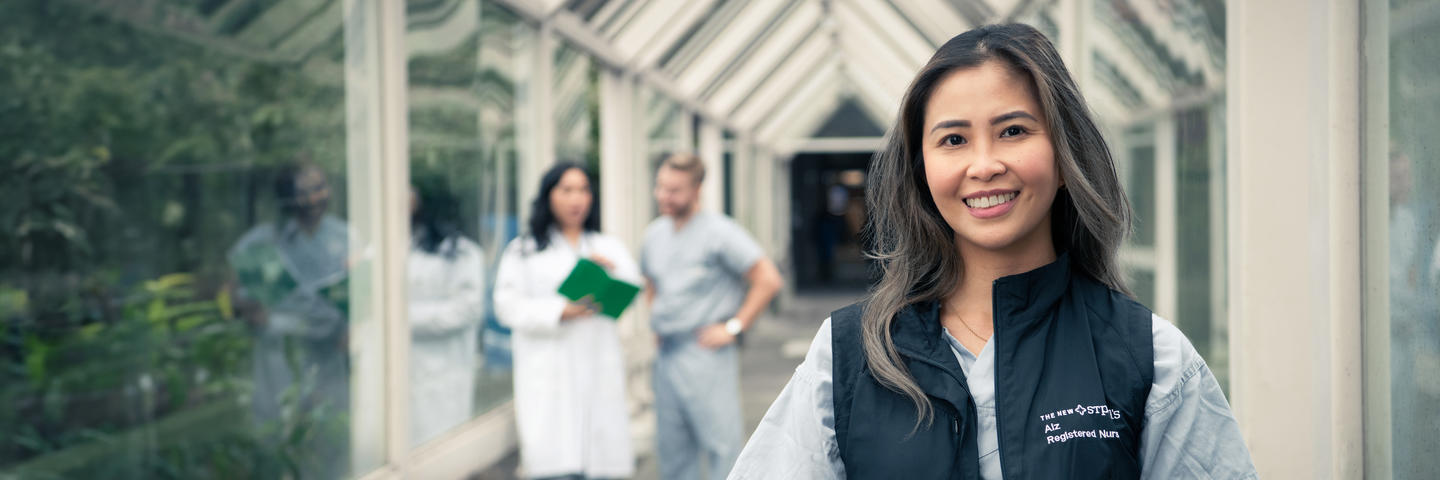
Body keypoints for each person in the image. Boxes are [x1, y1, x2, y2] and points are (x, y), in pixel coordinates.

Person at [730, 24, 1256, 479]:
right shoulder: (850, 355)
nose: (983, 165)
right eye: (953, 140)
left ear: (1065, 155)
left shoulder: (1150, 357)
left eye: (1013, 131)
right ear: (921, 171)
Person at [641, 153, 784, 480]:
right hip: (667, 353)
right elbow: (650, 281)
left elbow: (768, 279)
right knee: (672, 449)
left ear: (697, 190)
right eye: (661, 187)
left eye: (674, 190)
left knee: (721, 446)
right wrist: (657, 319)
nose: (664, 196)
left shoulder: (721, 233)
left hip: (706, 351)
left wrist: (733, 327)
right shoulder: (654, 235)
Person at [493, 162, 636, 480]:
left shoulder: (607, 247)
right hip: (549, 375)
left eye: (584, 190)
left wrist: (608, 276)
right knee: (555, 464)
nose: (577, 199)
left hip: (598, 370)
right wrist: (559, 311)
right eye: (567, 190)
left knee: (601, 463)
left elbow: (630, 291)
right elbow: (506, 306)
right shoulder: (524, 251)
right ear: (549, 196)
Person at [228, 161, 350, 478]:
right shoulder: (264, 240)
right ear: (285, 199)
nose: (313, 199)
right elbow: (233, 291)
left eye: (320, 188)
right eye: (303, 192)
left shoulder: (345, 236)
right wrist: (243, 304)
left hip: (328, 361)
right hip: (279, 359)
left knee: (330, 445)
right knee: (279, 445)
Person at [407, 180, 486, 447]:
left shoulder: (462, 252)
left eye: (408, 190)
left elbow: (467, 309)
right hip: (398, 376)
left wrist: (399, 320)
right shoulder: (386, 247)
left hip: (441, 373)